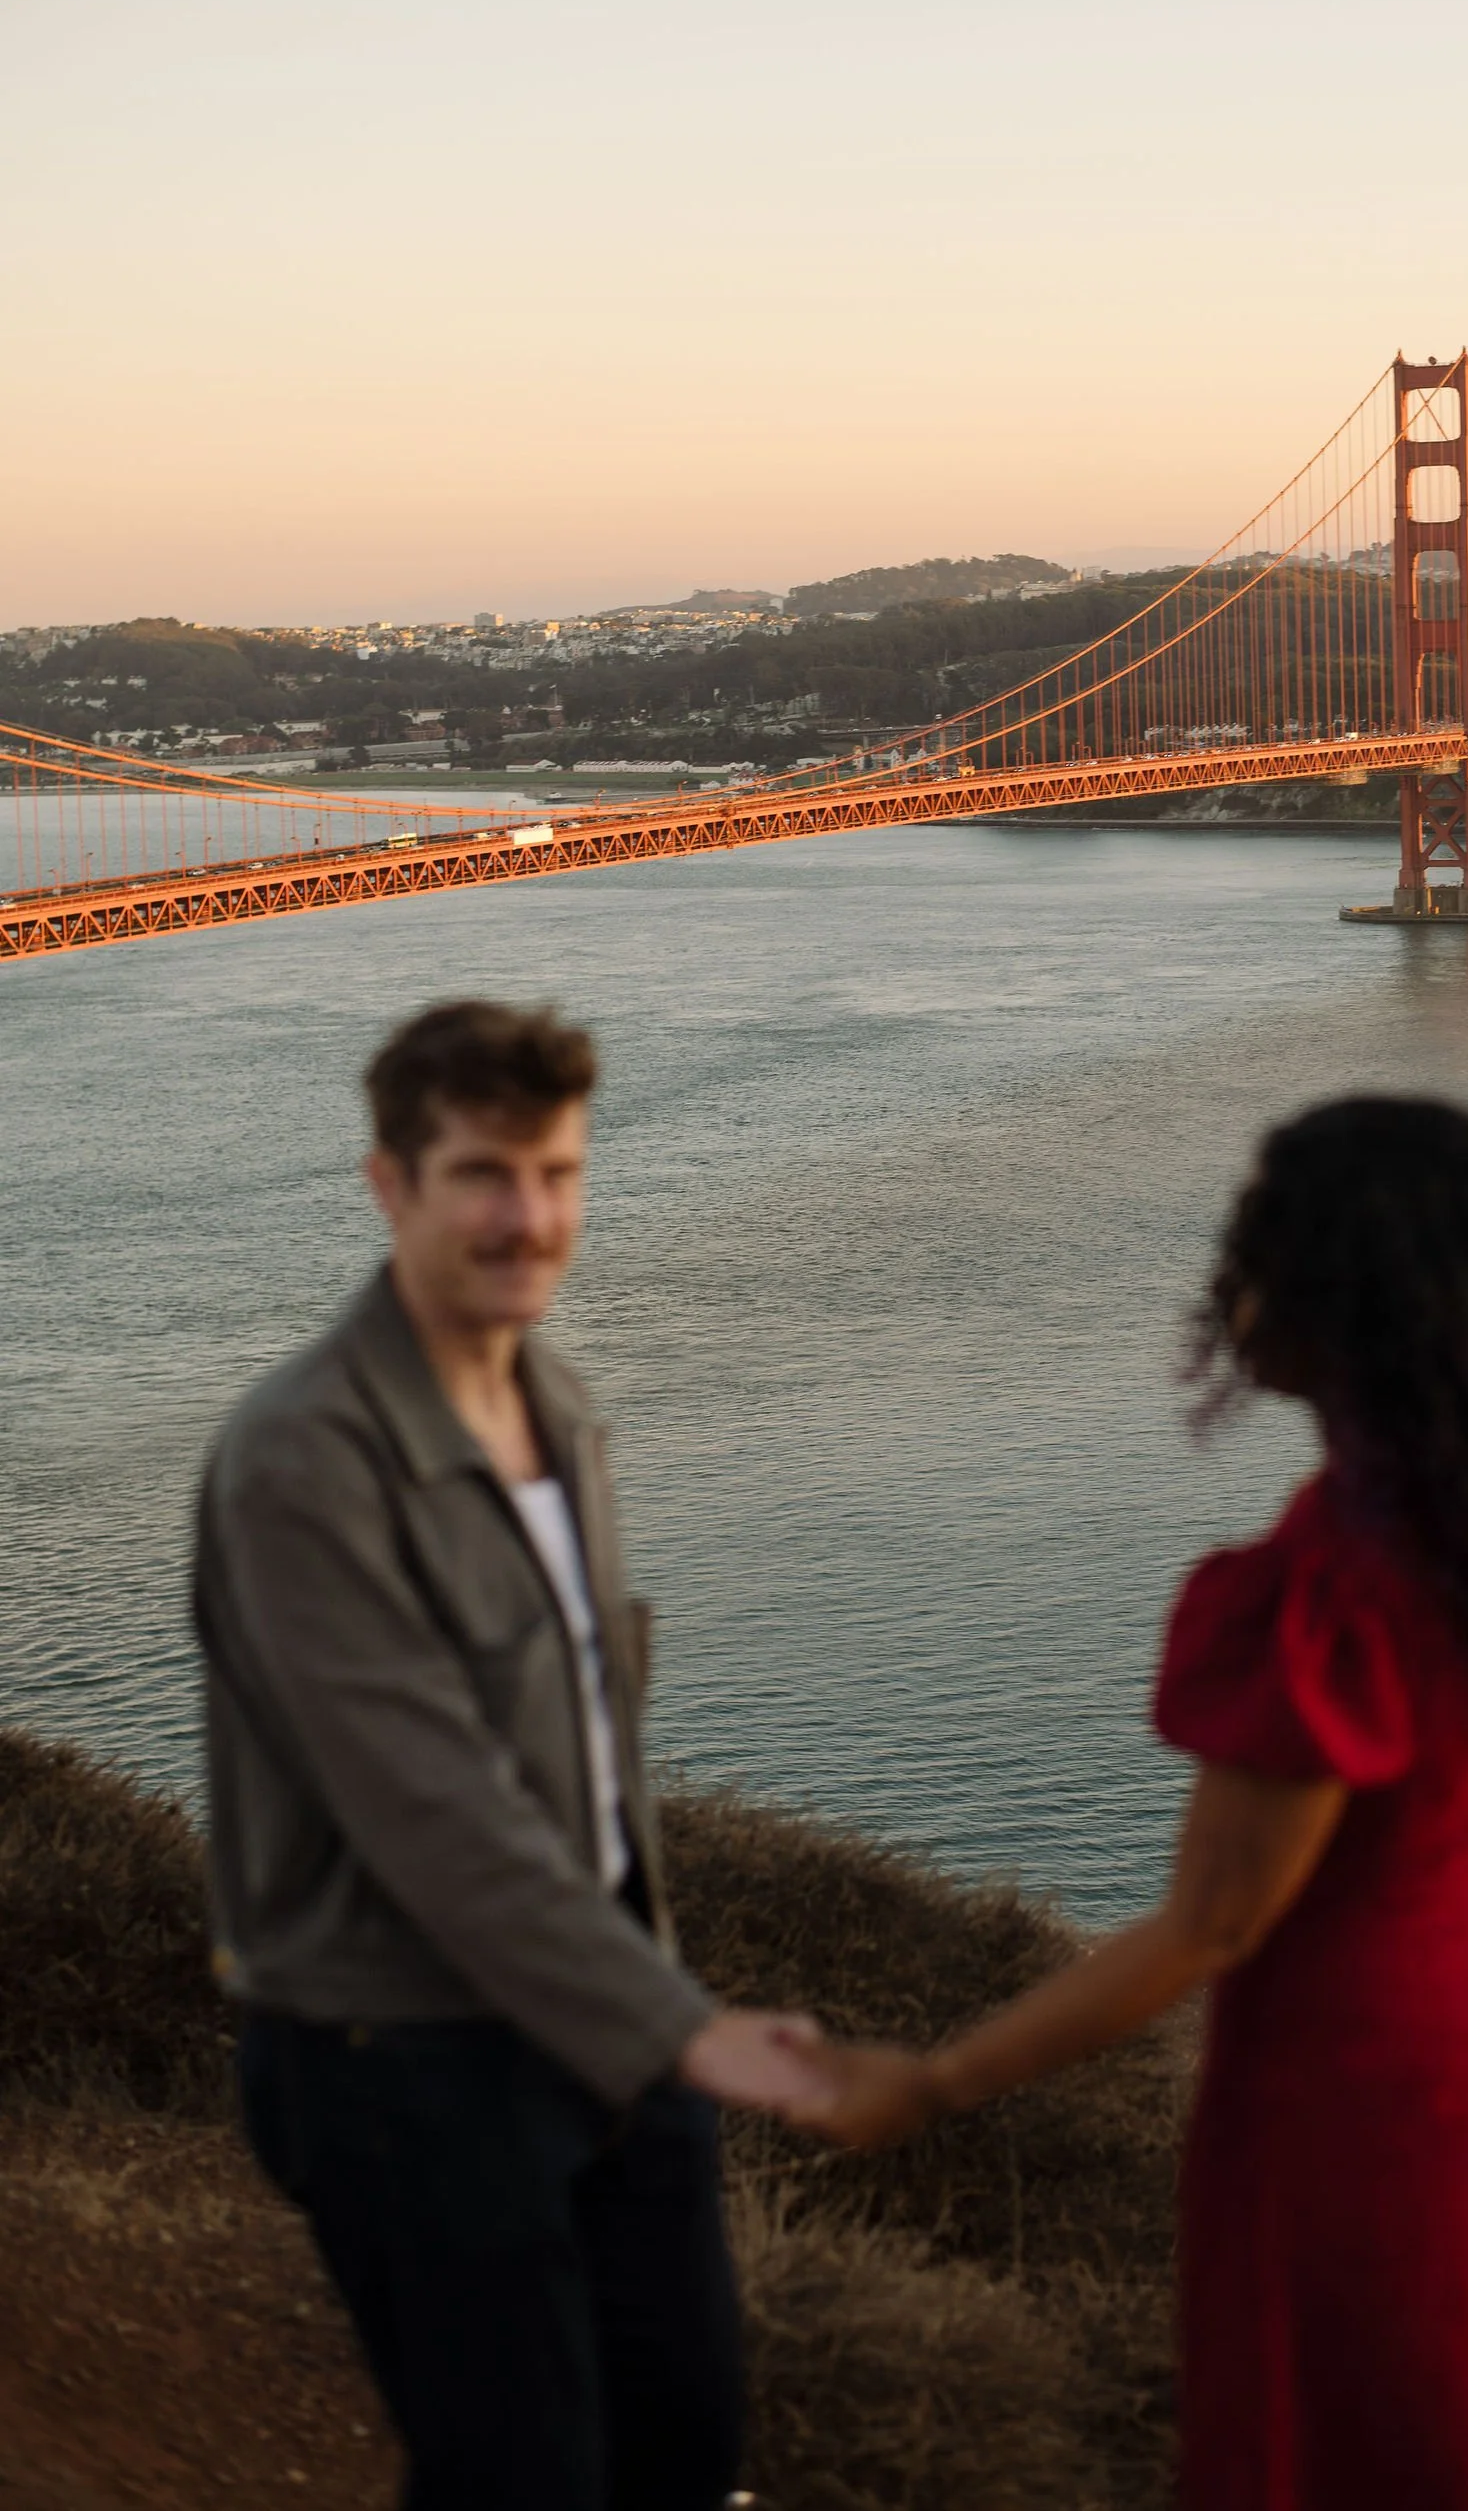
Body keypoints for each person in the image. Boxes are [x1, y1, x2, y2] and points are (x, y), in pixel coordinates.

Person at [809, 1096, 1468, 2511]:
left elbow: (1212, 1924)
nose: (1226, 1286)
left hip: (1373, 2093)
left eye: (1255, 1248)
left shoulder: (1345, 1578)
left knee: (1354, 2444)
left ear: (1334, 1297)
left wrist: (934, 2079)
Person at [192, 998, 830, 2511]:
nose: (527, 1217)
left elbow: (589, 1771)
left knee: (685, 2446)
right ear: (388, 1186)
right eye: (482, 1173)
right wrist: (687, 2026)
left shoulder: (560, 1403)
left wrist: (645, 2011)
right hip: (402, 2054)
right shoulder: (304, 1457)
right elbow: (432, 1807)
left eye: (557, 1173)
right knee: (519, 2478)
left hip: (599, 2019)